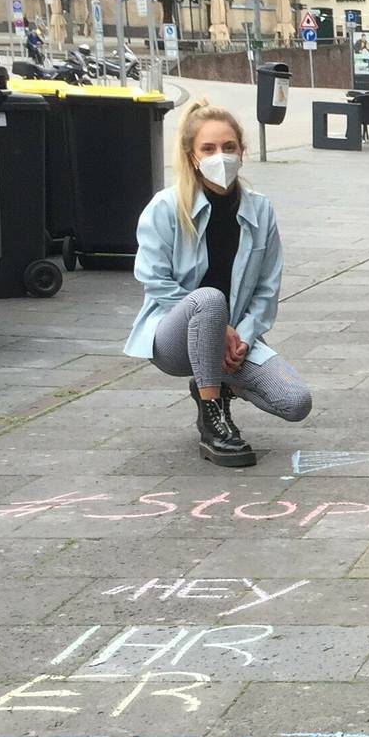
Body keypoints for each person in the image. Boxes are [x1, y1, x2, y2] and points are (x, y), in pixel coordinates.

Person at [125, 99, 313, 468]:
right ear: (192, 156)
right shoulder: (165, 208)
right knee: (209, 300)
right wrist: (219, 327)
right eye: (208, 149)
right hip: (174, 340)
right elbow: (153, 279)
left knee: (295, 402)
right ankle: (213, 417)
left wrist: (241, 336)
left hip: (233, 341)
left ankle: (221, 382)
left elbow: (266, 288)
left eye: (229, 147)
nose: (220, 156)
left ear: (242, 151)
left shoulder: (260, 209)